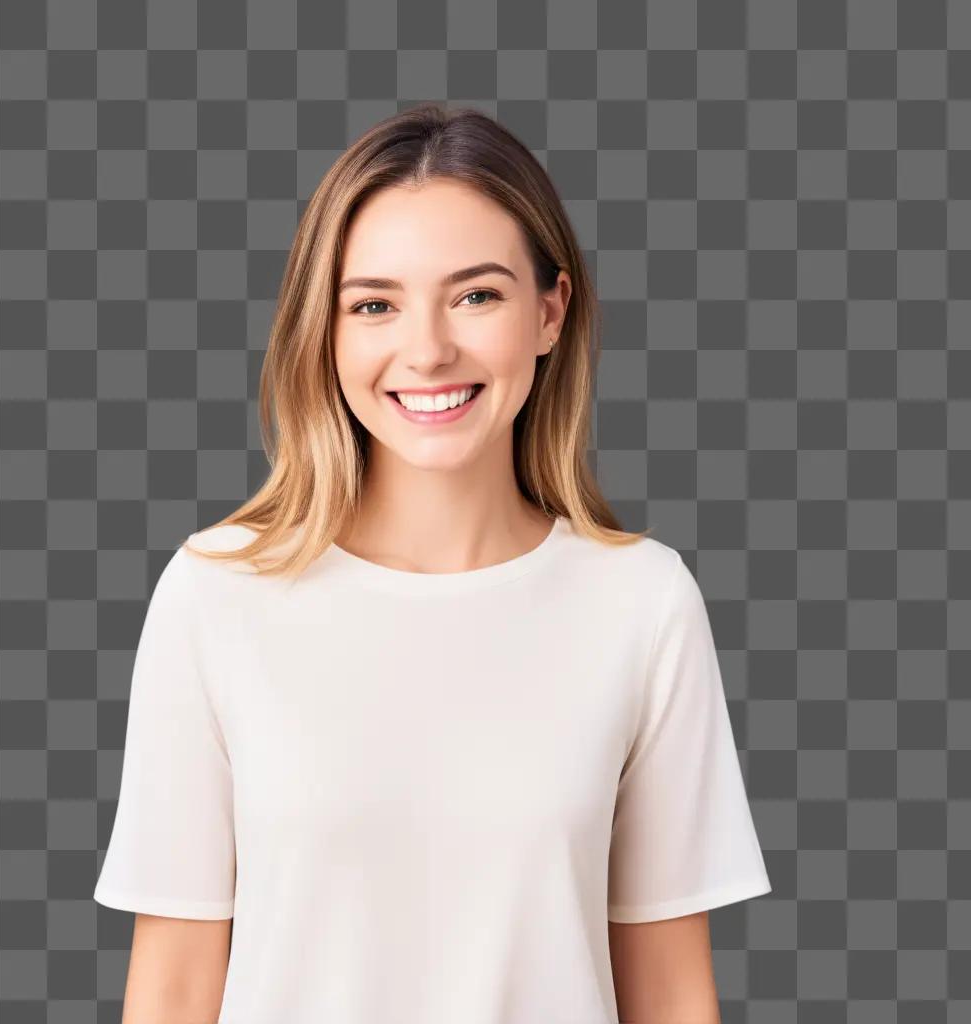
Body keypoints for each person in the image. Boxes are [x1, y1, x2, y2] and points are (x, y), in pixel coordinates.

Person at [93, 102, 771, 1024]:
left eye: (475, 295)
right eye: (374, 304)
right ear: (324, 334)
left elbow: (670, 991)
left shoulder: (641, 602)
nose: (427, 350)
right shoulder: (216, 595)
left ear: (549, 311)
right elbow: (171, 987)